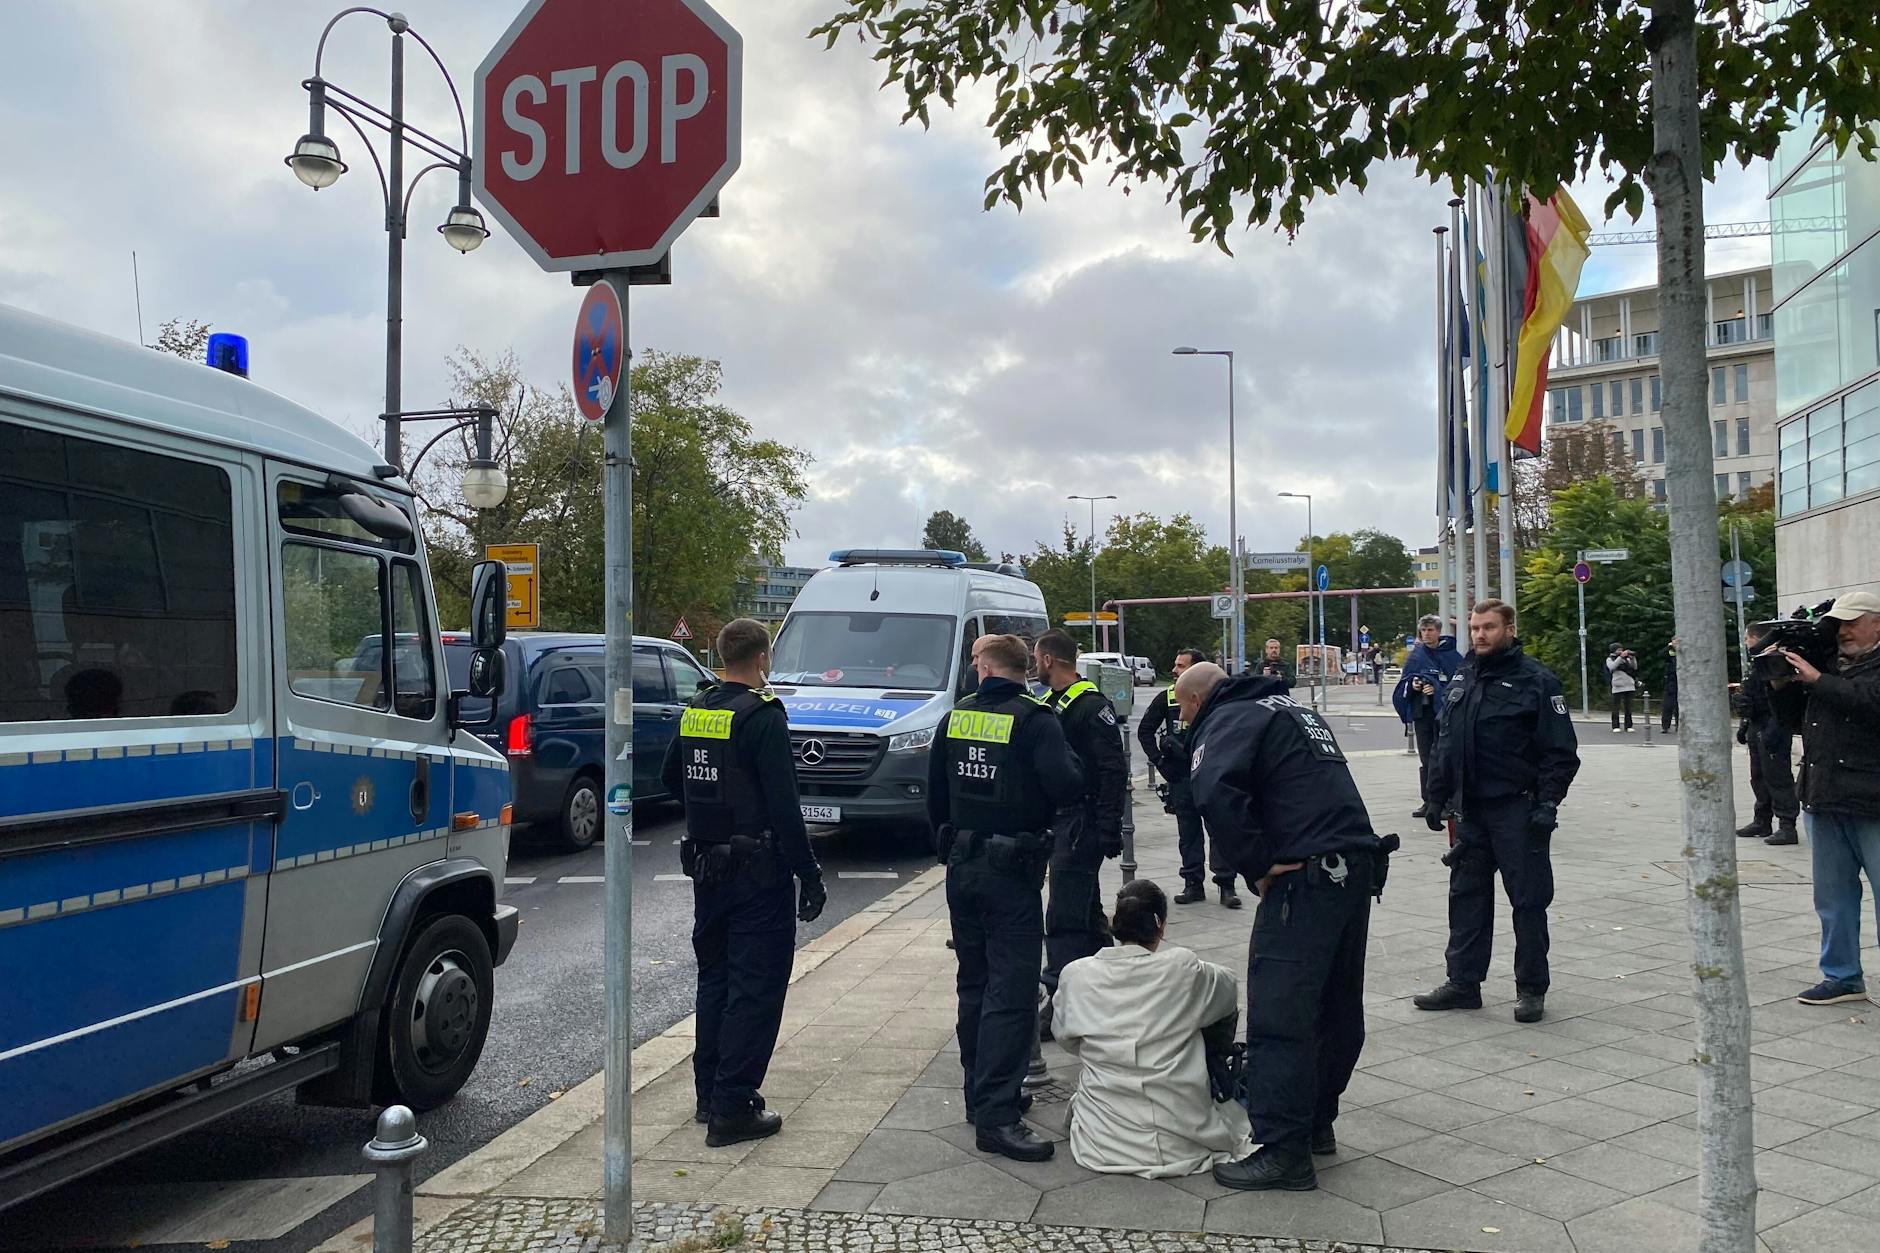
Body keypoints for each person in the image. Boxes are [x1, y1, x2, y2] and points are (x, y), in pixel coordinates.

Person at [1183, 660, 1395, 1192]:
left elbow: (1214, 793)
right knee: (1335, 1006)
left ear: (1196, 700)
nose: (1184, 723)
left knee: (1282, 1012)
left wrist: (1255, 863)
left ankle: (1283, 1150)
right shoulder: (1291, 709)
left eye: (1183, 711)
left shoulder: (1228, 718)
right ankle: (1317, 1122)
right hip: (1352, 869)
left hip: (1305, 878)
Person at [660, 618, 827, 1147]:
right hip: (758, 871)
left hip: (707, 867)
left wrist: (710, 814)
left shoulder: (698, 710)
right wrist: (809, 874)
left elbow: (671, 776)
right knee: (755, 988)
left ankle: (710, 1095)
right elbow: (784, 803)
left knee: (716, 981)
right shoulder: (763, 716)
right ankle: (733, 1106)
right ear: (761, 659)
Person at [929, 633, 1085, 1162]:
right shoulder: (1036, 718)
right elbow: (1067, 786)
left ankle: (981, 1094)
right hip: (1011, 870)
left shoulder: (956, 717)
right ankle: (997, 1116)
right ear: (1020, 668)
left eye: (975, 660)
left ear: (986, 667)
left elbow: (934, 796)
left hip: (962, 867)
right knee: (1012, 991)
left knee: (973, 982)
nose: (972, 667)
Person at [1415, 600, 1581, 1024]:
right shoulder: (1464, 675)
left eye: (1488, 627)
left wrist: (1548, 802)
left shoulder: (1537, 681)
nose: (1479, 635)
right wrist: (1435, 796)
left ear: (1509, 628)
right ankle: (1463, 983)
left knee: (1528, 902)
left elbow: (1560, 751)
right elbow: (1445, 741)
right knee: (1466, 898)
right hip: (1470, 810)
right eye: (1474, 628)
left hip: (1517, 809)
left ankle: (1531, 988)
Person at [1051, 879, 1254, 1178]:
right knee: (1207, 1010)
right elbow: (1227, 990)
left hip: (1103, 1142)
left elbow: (1067, 1039)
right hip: (1184, 1138)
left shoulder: (1076, 975)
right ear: (1161, 926)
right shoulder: (1183, 968)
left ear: (1115, 924)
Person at [1767, 590, 1880, 1007]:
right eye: (1839, 623)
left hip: (1873, 801)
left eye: (1852, 622)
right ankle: (1843, 977)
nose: (1843, 631)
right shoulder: (1829, 663)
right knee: (1832, 899)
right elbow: (1794, 721)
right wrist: (1781, 683)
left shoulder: (1836, 672)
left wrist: (1818, 680)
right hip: (1825, 795)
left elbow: (1870, 702)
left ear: (1878, 624)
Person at [1035, 630, 1127, 994]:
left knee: (1064, 917)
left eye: (1036, 658)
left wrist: (1109, 825)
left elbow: (1112, 768)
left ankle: (1059, 997)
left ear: (1048, 660)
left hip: (1081, 822)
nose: (1033, 665)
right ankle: (1112, 987)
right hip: (1066, 820)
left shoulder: (1089, 704)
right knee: (1086, 912)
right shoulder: (1054, 701)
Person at [1137, 647, 1240, 908]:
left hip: (1211, 774)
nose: (1174, 670)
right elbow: (1145, 731)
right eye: (1175, 665)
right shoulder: (1168, 697)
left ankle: (1226, 884)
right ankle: (1193, 883)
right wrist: (1160, 762)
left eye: (1181, 666)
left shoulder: (1216, 700)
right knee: (1188, 833)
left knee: (1219, 830)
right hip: (1181, 776)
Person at [1393, 615, 1462, 821]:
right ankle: (1429, 800)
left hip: (1444, 714)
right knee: (1425, 758)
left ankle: (1447, 802)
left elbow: (1458, 683)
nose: (1426, 634)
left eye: (1430, 630)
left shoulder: (1452, 655)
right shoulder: (1417, 655)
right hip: (1421, 712)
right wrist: (1413, 686)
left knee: (1444, 757)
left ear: (1439, 631)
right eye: (1423, 630)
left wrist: (1438, 689)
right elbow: (1404, 681)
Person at [1736, 621, 1799, 846]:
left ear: (1757, 637)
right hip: (1757, 724)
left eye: (1747, 637)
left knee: (1777, 775)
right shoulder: (1758, 662)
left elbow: (1779, 699)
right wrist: (1744, 721)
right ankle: (1762, 819)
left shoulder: (1775, 660)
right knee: (1759, 776)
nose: (1745, 642)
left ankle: (1787, 824)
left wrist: (1773, 725)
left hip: (1773, 724)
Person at [1606, 642, 1639, 732]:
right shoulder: (1610, 659)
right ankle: (1615, 726)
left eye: (1621, 649)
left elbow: (1634, 668)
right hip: (1618, 686)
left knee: (1628, 707)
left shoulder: (1626, 659)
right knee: (1616, 707)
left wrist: (1632, 659)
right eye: (1618, 650)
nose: (1621, 651)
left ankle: (1628, 725)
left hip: (1629, 685)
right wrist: (1620, 657)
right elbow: (1612, 667)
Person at [1661, 637, 1681, 732]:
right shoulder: (1669, 651)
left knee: (1679, 706)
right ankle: (1665, 726)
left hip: (1681, 681)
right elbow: (1661, 655)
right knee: (1667, 705)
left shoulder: (1683, 651)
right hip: (1670, 681)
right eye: (1675, 641)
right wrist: (1669, 647)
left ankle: (1679, 725)